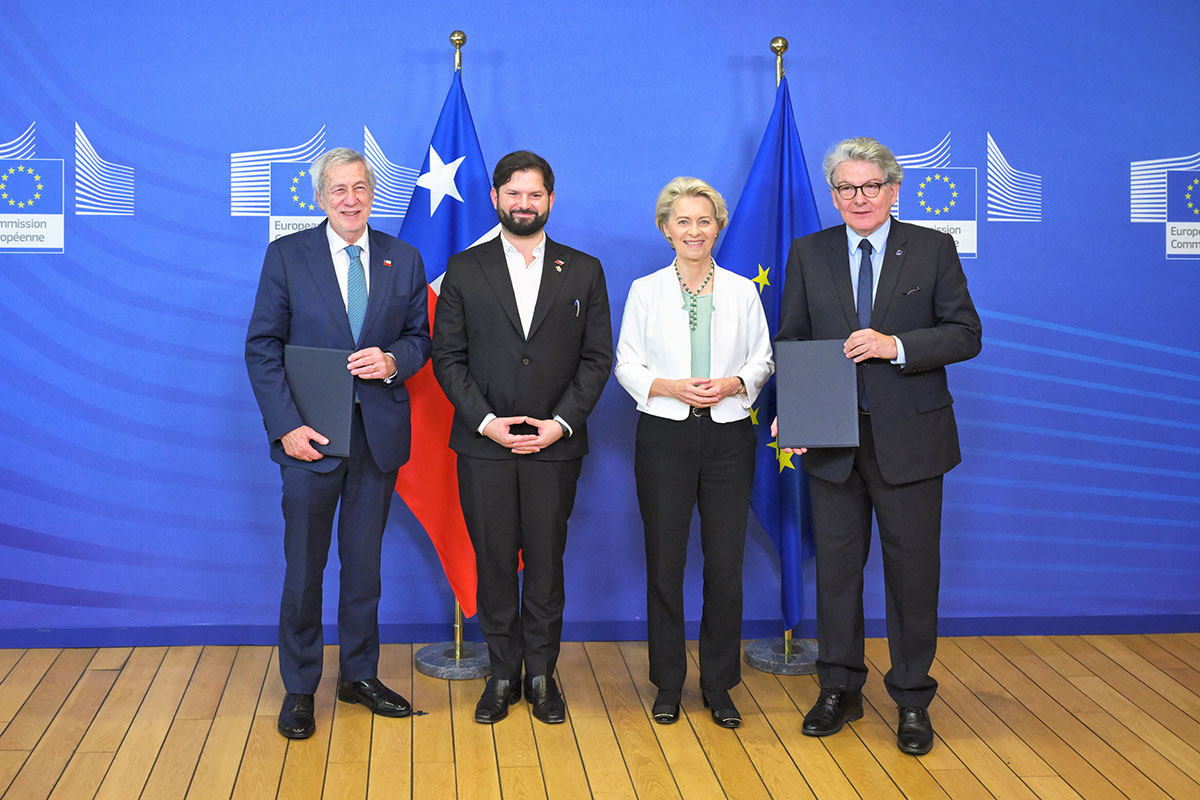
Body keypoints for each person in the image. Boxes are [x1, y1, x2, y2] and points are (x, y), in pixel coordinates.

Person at [773, 137, 981, 755]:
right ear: (833, 194)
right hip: (832, 441)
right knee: (837, 574)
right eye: (845, 188)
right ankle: (839, 688)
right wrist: (794, 412)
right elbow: (794, 338)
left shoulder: (933, 249)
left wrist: (897, 345)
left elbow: (966, 334)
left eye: (869, 187)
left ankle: (913, 699)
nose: (857, 198)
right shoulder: (808, 253)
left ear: (893, 191)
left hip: (912, 442)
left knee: (912, 578)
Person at [245, 147, 431, 739]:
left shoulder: (402, 257)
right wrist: (286, 426)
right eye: (338, 190)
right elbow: (263, 348)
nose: (350, 199)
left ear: (371, 193)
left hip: (376, 441)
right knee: (304, 570)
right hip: (309, 441)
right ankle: (301, 688)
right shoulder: (287, 255)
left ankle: (359, 676)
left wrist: (393, 361)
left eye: (360, 188)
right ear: (320, 198)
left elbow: (419, 338)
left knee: (364, 568)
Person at [432, 150, 613, 725]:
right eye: (514, 194)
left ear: (551, 200)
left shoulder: (584, 269)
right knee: (492, 563)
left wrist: (558, 424)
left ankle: (541, 675)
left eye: (535, 194)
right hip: (484, 444)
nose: (524, 204)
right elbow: (447, 357)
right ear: (495, 199)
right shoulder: (463, 268)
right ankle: (502, 673)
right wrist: (488, 422)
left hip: (554, 445)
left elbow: (596, 359)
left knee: (545, 563)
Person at [613, 178, 772, 729]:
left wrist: (733, 384)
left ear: (718, 227)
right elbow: (626, 363)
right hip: (665, 437)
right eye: (683, 221)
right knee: (665, 564)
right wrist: (670, 386)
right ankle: (668, 682)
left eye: (705, 221)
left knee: (725, 567)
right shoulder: (644, 290)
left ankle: (719, 684)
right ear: (665, 229)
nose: (694, 230)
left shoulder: (741, 291)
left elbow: (763, 360)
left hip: (729, 437)